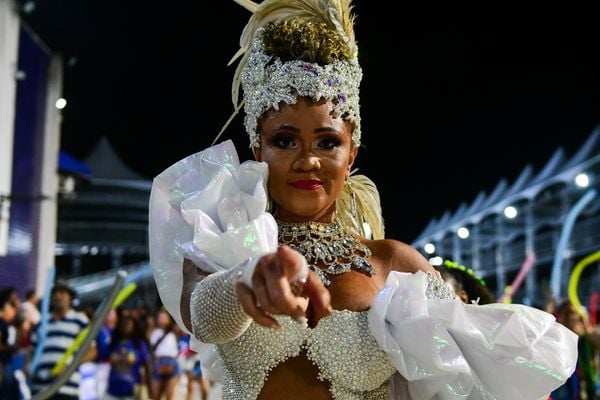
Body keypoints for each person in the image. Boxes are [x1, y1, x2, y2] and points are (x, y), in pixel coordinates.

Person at [148, 0, 579, 399]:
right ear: (258, 149)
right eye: (285, 140)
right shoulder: (224, 237)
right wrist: (247, 279)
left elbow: (463, 370)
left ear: (351, 154)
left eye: (327, 142)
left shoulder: (394, 264)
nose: (308, 161)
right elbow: (202, 314)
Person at [30, 282, 97, 400]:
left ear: (70, 297)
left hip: (67, 387)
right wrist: (29, 367)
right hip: (40, 386)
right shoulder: (42, 322)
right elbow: (31, 351)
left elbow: (92, 351)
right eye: (55, 293)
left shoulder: (80, 320)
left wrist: (70, 368)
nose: (58, 296)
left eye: (62, 292)